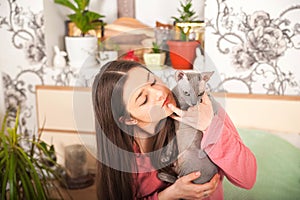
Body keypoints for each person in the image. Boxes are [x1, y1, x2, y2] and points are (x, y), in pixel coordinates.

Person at [92, 60, 257, 200]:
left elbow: (248, 178)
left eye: (154, 81)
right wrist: (169, 194)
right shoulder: (123, 158)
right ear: (128, 119)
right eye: (143, 99)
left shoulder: (201, 108)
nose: (159, 93)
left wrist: (209, 126)